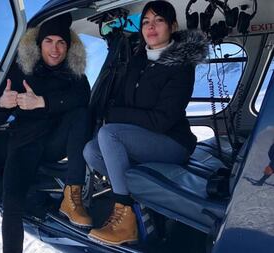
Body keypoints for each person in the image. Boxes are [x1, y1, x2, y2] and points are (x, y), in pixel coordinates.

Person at [83, 0, 209, 245]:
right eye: (146, 22)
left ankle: (125, 214)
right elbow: (119, 102)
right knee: (91, 151)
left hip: (173, 143)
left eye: (159, 20)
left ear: (172, 26)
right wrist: (117, 113)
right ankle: (141, 201)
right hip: (141, 138)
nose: (151, 27)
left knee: (110, 134)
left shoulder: (181, 66)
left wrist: (118, 115)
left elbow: (161, 121)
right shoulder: (138, 61)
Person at [0, 14, 92, 253]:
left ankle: (71, 197)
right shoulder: (20, 71)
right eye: (49, 41)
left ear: (68, 46)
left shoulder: (75, 75)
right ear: (39, 44)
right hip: (24, 144)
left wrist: (41, 102)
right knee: (11, 203)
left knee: (81, 114)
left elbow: (82, 99)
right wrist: (2, 103)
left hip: (56, 143)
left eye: (61, 43)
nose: (55, 49)